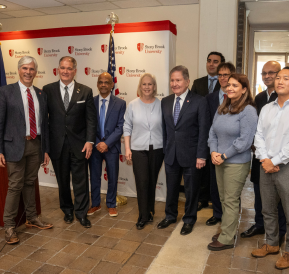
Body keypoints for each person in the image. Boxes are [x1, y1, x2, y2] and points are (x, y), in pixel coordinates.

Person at [251, 67, 289, 270]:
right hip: (265, 165)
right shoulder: (267, 108)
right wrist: (265, 159)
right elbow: (258, 135)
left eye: (285, 78)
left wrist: (274, 161)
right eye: (278, 78)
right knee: (267, 210)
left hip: (287, 168)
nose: (279, 81)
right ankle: (272, 244)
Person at [0, 56, 52, 244]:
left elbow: (45, 124)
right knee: (15, 185)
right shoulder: (5, 92)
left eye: (32, 69)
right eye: (25, 68)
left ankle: (32, 218)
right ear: (19, 70)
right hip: (13, 147)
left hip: (35, 144)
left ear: (36, 72)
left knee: (30, 182)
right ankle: (9, 226)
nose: (28, 72)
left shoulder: (41, 94)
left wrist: (45, 149)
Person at [241, 61, 289, 242]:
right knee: (260, 194)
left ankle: (281, 232)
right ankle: (260, 224)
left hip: (283, 160)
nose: (268, 76)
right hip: (261, 156)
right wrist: (262, 154)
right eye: (264, 73)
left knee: (281, 198)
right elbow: (256, 128)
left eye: (272, 73)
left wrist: (274, 160)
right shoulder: (259, 98)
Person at [43, 56, 97, 228]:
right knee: (63, 181)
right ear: (58, 69)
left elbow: (91, 120)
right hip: (57, 145)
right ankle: (67, 210)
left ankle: (81, 213)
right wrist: (45, 147)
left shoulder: (86, 91)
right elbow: (44, 121)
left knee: (81, 181)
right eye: (62, 68)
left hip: (80, 144)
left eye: (69, 68)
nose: (65, 71)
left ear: (75, 70)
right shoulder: (48, 90)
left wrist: (90, 141)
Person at [207, 74, 258, 251]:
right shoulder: (223, 107)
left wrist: (223, 155)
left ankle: (227, 237)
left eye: (235, 86)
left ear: (244, 89)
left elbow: (245, 141)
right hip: (219, 160)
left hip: (236, 162)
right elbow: (212, 132)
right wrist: (213, 151)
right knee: (222, 199)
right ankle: (227, 230)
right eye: (228, 85)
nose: (230, 88)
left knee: (230, 200)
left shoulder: (248, 111)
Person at [158, 65, 210, 235]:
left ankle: (189, 219)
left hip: (192, 155)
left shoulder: (199, 101)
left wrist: (201, 155)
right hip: (171, 154)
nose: (175, 83)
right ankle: (170, 216)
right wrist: (166, 150)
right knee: (171, 188)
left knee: (191, 190)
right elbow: (166, 130)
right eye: (172, 80)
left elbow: (204, 130)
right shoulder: (165, 101)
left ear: (187, 81)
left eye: (178, 80)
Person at [124, 73, 164, 230]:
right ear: (140, 87)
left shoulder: (161, 104)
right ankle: (143, 215)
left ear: (154, 87)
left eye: (150, 84)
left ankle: (150, 210)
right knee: (142, 182)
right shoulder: (132, 105)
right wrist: (127, 148)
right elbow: (127, 127)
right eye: (144, 84)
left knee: (152, 181)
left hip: (157, 149)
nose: (147, 87)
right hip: (138, 149)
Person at [88, 73, 126, 218]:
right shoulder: (90, 102)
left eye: (106, 82)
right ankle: (96, 204)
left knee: (112, 176)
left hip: (112, 147)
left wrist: (107, 143)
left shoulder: (120, 103)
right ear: (97, 84)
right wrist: (98, 143)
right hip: (95, 146)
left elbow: (120, 126)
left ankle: (111, 204)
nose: (103, 85)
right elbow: (88, 125)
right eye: (100, 82)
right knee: (95, 176)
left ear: (112, 85)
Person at [191, 51, 226, 211]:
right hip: (200, 132)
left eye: (215, 61)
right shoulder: (198, 83)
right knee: (201, 168)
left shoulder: (226, 84)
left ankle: (216, 201)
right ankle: (202, 199)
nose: (211, 64)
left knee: (215, 170)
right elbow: (192, 106)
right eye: (209, 61)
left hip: (219, 133)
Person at [204, 62, 236, 226]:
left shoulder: (238, 98)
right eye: (220, 75)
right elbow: (206, 125)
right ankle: (217, 213)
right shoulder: (209, 98)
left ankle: (230, 215)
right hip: (214, 148)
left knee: (230, 185)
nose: (223, 78)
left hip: (232, 149)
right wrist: (211, 149)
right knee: (215, 183)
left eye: (226, 75)